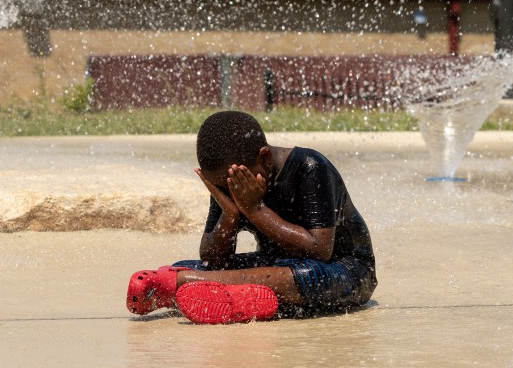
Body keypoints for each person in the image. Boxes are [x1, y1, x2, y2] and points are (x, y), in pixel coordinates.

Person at [126, 110, 377, 324]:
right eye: (223, 187)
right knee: (188, 264)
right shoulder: (229, 180)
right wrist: (230, 214)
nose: (232, 190)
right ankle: (243, 297)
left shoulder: (310, 167)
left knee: (307, 274)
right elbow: (214, 260)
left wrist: (255, 210)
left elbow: (320, 250)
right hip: (277, 267)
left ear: (265, 158)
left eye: (235, 183)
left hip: (345, 271)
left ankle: (178, 285)